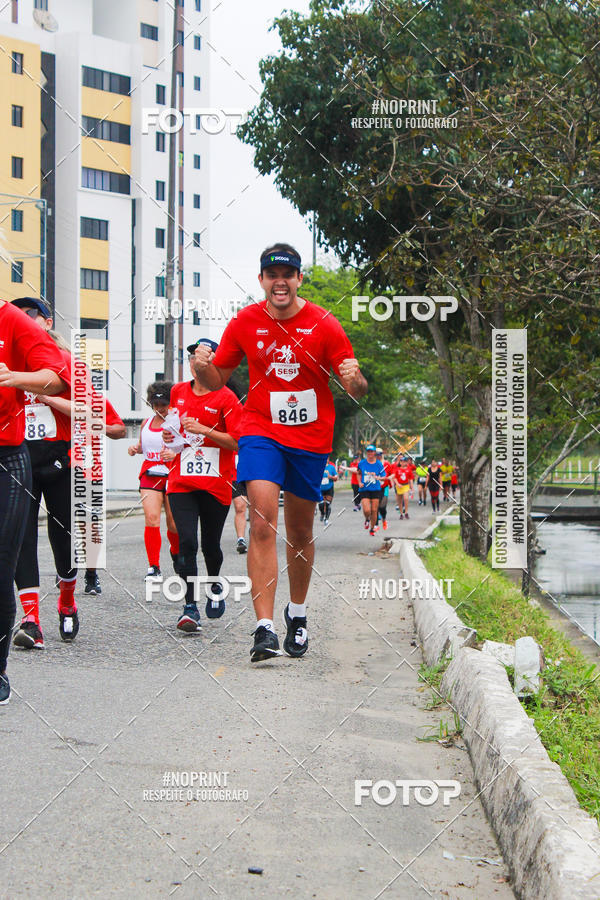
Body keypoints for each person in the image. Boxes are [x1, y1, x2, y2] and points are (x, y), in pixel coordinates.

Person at [190, 243, 367, 661]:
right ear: (262, 281)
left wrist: (354, 377)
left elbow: (355, 389)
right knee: (262, 521)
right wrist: (202, 367)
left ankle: (298, 614)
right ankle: (263, 628)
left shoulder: (324, 323)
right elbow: (218, 379)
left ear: (299, 279)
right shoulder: (246, 322)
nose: (280, 281)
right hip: (260, 431)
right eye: (272, 275)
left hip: (309, 438)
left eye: (288, 274)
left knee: (301, 532)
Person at [0, 298, 69, 702]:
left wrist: (15, 378)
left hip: (9, 455)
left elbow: (56, 376)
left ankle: (1, 668)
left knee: (5, 558)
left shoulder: (11, 319)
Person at [9, 299, 79, 650]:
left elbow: (87, 410)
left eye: (30, 318)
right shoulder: (10, 363)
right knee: (22, 537)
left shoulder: (64, 362)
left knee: (62, 536)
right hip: (19, 458)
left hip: (59, 459)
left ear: (46, 322)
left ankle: (67, 599)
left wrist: (46, 395)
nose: (23, 324)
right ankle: (31, 619)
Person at [163, 337, 243, 633]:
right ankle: (189, 606)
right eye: (193, 358)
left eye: (204, 359)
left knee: (210, 545)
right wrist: (171, 443)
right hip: (181, 480)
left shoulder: (226, 397)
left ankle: (214, 583)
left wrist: (204, 429)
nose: (197, 364)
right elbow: (174, 431)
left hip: (216, 483)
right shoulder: (177, 392)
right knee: (186, 542)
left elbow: (237, 442)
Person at [128, 382, 179, 582]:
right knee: (151, 518)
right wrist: (135, 449)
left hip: (173, 473)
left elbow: (188, 446)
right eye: (156, 404)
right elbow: (144, 445)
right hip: (150, 473)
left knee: (173, 523)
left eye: (163, 404)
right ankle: (154, 566)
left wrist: (173, 453)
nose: (160, 408)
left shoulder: (177, 422)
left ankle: (175, 551)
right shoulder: (145, 423)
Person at [80, 397, 126, 595]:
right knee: (63, 527)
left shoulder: (97, 401)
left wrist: (98, 426)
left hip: (91, 472)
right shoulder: (50, 398)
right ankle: (65, 569)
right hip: (60, 470)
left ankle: (91, 573)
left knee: (91, 527)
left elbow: (120, 430)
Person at [353, 445, 386, 535]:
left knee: (374, 510)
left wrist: (378, 477)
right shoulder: (362, 463)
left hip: (375, 489)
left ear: (374, 452)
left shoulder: (379, 464)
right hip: (364, 489)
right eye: (368, 451)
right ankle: (367, 518)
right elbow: (358, 473)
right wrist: (359, 482)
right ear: (366, 453)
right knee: (367, 510)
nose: (370, 453)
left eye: (372, 451)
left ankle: (372, 528)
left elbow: (384, 477)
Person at [376, 448, 393, 531]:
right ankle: (375, 525)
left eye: (379, 454)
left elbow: (393, 474)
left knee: (382, 506)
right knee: (375, 506)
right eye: (376, 455)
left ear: (382, 454)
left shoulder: (387, 464)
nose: (377, 456)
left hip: (384, 487)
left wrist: (387, 478)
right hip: (375, 487)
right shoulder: (373, 464)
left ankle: (384, 520)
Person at [318, 455, 338, 526]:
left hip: (329, 488)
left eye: (327, 458)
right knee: (321, 504)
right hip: (320, 489)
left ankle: (326, 519)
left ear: (328, 459)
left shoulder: (331, 467)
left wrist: (331, 477)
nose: (325, 459)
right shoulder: (318, 466)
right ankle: (322, 514)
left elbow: (336, 478)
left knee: (328, 504)